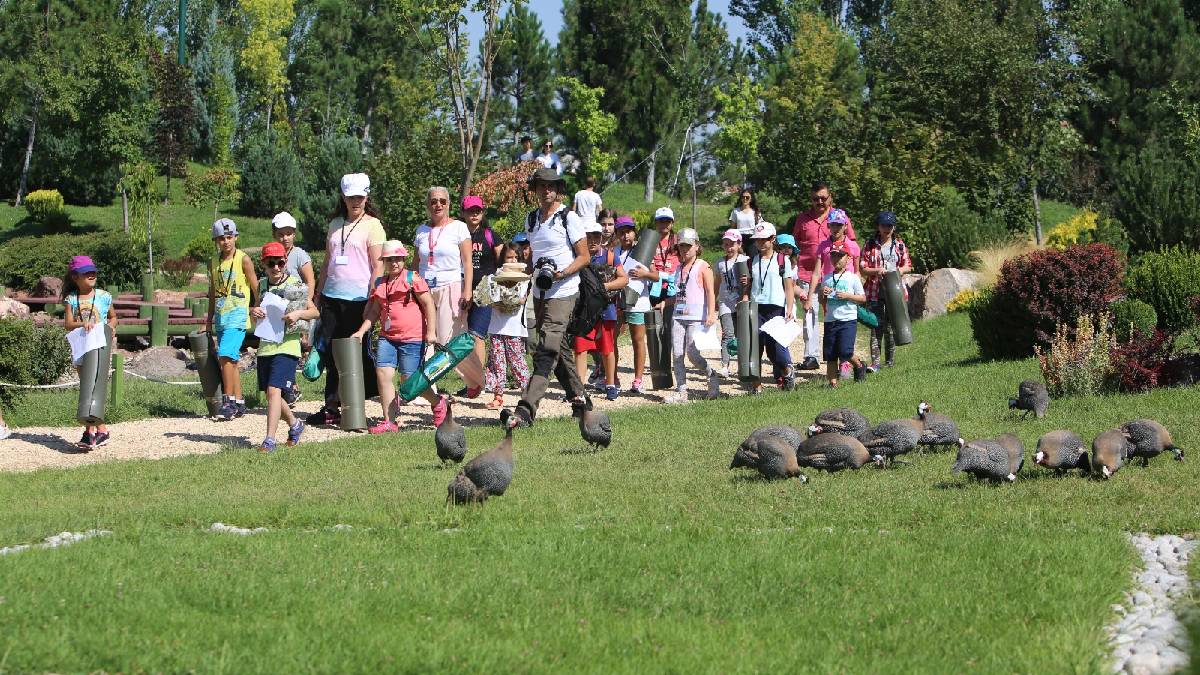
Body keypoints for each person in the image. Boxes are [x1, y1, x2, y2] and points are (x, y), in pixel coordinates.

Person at [505, 167, 590, 429]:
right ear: (536, 190)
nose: (546, 190)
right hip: (540, 293)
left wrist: (561, 274)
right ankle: (581, 402)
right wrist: (516, 277)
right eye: (541, 185)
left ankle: (526, 409)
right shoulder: (531, 220)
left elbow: (584, 257)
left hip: (564, 291)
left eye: (551, 186)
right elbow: (533, 258)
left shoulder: (569, 217)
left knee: (546, 351)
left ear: (558, 190)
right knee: (558, 349)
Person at [309, 173, 385, 427]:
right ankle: (331, 405)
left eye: (360, 197)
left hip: (359, 299)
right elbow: (328, 262)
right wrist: (316, 295)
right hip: (331, 296)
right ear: (343, 197)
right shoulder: (334, 224)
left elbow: (378, 266)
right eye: (351, 196)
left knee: (358, 353)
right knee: (330, 351)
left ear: (366, 197)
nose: (355, 201)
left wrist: (372, 298)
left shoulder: (373, 225)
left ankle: (357, 404)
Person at [350, 240, 445, 433]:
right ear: (384, 261)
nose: (394, 263)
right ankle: (389, 421)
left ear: (404, 259)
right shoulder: (380, 283)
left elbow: (428, 305)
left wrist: (431, 332)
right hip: (387, 338)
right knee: (383, 375)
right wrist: (361, 331)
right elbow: (375, 312)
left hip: (412, 338)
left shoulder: (413, 278)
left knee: (410, 381)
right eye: (390, 259)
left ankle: (438, 403)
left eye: (398, 259)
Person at [414, 187, 484, 398]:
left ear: (449, 204)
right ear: (428, 204)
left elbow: (467, 263)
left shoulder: (459, 228)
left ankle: (477, 380)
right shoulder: (421, 231)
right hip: (424, 290)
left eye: (443, 201)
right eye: (434, 201)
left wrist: (467, 290)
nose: (438, 205)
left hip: (450, 287)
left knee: (449, 341)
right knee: (423, 339)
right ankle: (425, 388)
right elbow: (416, 263)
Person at [251, 242, 318, 452]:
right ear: (263, 264)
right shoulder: (261, 286)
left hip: (288, 346)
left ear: (285, 262)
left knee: (273, 391)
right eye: (271, 263)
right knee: (272, 395)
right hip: (265, 346)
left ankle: (269, 439)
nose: (276, 267)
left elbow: (314, 312)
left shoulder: (296, 285)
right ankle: (295, 425)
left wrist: (298, 314)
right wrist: (254, 312)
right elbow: (255, 312)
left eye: (280, 262)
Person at [792, 181, 857, 371]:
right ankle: (811, 356)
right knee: (810, 314)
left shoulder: (840, 217)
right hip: (807, 272)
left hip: (836, 275)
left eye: (823, 198)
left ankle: (842, 357)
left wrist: (852, 274)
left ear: (830, 197)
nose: (819, 202)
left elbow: (852, 245)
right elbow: (794, 244)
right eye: (815, 199)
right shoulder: (802, 219)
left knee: (838, 316)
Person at [206, 218, 258, 421]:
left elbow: (255, 287)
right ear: (216, 241)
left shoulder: (243, 259)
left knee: (225, 354)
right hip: (221, 316)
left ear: (236, 237)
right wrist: (208, 320)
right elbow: (212, 293)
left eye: (229, 237)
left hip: (237, 316)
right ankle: (239, 402)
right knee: (231, 361)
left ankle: (228, 402)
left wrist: (257, 308)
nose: (226, 242)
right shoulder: (213, 262)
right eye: (221, 238)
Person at [62, 255, 117, 449]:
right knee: (87, 389)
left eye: (93, 271)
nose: (91, 275)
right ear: (75, 276)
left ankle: (91, 432)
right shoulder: (71, 299)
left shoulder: (103, 296)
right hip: (81, 347)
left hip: (99, 346)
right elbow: (68, 324)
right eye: (86, 273)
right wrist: (82, 324)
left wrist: (110, 327)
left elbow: (113, 318)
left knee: (95, 387)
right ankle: (98, 430)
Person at [738, 223, 795, 394]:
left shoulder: (782, 260)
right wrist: (745, 296)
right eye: (757, 240)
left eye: (764, 239)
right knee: (754, 347)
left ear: (772, 239)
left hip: (776, 308)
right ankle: (757, 388)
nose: (760, 243)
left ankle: (787, 372)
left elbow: (789, 287)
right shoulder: (752, 261)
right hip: (756, 308)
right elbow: (749, 286)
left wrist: (790, 308)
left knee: (775, 350)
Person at [573, 221, 628, 401]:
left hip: (606, 310)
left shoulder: (610, 257)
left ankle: (610, 384)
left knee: (607, 348)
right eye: (589, 237)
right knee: (580, 348)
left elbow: (624, 279)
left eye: (597, 236)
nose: (593, 240)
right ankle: (579, 389)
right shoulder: (578, 257)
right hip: (583, 312)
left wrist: (602, 286)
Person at [666, 228, 719, 403]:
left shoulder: (703, 266)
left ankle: (711, 373)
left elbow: (711, 292)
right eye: (682, 246)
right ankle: (682, 391)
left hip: (696, 317)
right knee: (677, 354)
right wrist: (664, 303)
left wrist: (711, 313)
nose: (685, 249)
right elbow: (678, 293)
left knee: (692, 354)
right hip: (678, 316)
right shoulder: (678, 268)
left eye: (689, 245)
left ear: (697, 246)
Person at [860, 211, 912, 371]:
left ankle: (890, 361)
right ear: (878, 226)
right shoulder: (870, 245)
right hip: (875, 291)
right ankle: (875, 363)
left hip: (894, 292)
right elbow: (863, 268)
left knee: (890, 327)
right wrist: (877, 271)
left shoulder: (900, 245)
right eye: (883, 225)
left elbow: (908, 265)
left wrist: (898, 271)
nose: (886, 228)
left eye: (889, 225)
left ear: (894, 227)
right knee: (876, 327)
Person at [461, 195, 501, 394]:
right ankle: (470, 382)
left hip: (485, 290)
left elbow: (502, 262)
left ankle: (479, 381)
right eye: (470, 210)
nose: (474, 213)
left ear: (483, 212)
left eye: (478, 210)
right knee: (462, 337)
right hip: (461, 290)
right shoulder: (459, 235)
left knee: (477, 335)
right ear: (463, 213)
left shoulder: (490, 235)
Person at [483, 254, 533, 409]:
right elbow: (486, 299)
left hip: (515, 328)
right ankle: (498, 396)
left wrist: (503, 301)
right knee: (496, 363)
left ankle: (528, 395)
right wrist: (498, 301)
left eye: (516, 257)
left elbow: (520, 300)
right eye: (509, 256)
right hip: (496, 327)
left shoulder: (524, 280)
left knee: (517, 362)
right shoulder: (493, 279)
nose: (512, 260)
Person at [819, 247, 867, 387]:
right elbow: (823, 301)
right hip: (831, 319)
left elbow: (862, 298)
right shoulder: (827, 278)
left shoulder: (852, 278)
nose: (836, 259)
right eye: (833, 256)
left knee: (845, 351)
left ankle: (858, 365)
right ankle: (833, 383)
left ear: (848, 258)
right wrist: (822, 292)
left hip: (847, 319)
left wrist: (848, 296)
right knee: (830, 353)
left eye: (840, 256)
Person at [614, 217, 651, 394]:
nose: (625, 235)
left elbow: (656, 275)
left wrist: (645, 273)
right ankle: (612, 376)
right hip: (618, 302)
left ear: (635, 233)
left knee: (638, 340)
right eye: (621, 232)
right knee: (611, 339)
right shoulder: (614, 251)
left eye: (628, 231)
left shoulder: (643, 250)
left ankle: (638, 379)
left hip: (639, 303)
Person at [714, 229, 748, 377]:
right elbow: (717, 282)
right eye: (726, 244)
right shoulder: (720, 263)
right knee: (728, 334)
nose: (729, 247)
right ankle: (725, 365)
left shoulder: (744, 260)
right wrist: (714, 299)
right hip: (725, 302)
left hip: (740, 301)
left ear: (739, 244)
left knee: (742, 334)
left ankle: (743, 365)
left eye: (732, 244)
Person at [271, 211, 315, 301]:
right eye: (281, 234)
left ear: (294, 234)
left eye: (288, 234)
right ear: (274, 235)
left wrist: (307, 302)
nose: (285, 238)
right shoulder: (270, 254)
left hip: (296, 303)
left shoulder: (300, 255)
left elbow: (310, 281)